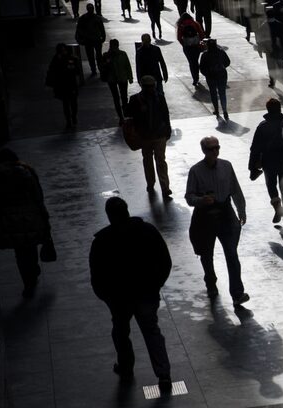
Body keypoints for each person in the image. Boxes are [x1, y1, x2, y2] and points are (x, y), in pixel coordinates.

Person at [89, 197, 173, 391]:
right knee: (152, 332)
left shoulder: (102, 241)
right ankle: (164, 374)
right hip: (146, 293)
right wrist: (155, 285)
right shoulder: (148, 231)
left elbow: (97, 276)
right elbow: (164, 261)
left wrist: (108, 298)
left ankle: (126, 367)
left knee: (120, 332)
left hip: (119, 299)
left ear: (109, 216)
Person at [185, 136, 250, 305]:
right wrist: (201, 200)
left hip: (225, 212)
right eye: (211, 149)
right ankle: (211, 281)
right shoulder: (196, 171)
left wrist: (241, 209)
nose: (215, 151)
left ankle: (237, 293)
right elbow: (189, 196)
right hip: (205, 216)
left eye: (217, 148)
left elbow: (235, 188)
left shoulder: (226, 166)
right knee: (207, 254)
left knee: (232, 254)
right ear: (204, 151)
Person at [0, 149, 51, 298]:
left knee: (20, 253)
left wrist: (0, 213)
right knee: (31, 246)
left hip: (11, 221)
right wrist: (42, 214)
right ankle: (34, 270)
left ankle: (27, 282)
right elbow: (38, 196)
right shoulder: (28, 172)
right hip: (30, 216)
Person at [248, 98, 283, 228]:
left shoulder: (262, 126)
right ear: (280, 109)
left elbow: (255, 148)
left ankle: (277, 208)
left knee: (271, 185)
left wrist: (252, 166)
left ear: (267, 110)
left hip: (269, 161)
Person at [124, 76, 172, 198]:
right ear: (143, 86)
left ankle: (164, 187)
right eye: (149, 86)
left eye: (152, 86)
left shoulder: (159, 97)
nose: (151, 89)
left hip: (155, 134)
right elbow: (128, 113)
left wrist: (167, 129)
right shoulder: (136, 99)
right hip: (146, 135)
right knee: (150, 160)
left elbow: (165, 114)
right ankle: (152, 183)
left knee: (157, 160)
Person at [45, 43, 82, 129]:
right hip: (63, 85)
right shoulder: (56, 59)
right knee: (66, 104)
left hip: (70, 84)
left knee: (73, 103)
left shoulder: (71, 58)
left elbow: (77, 71)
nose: (63, 52)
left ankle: (73, 116)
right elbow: (52, 71)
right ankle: (69, 120)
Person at [100, 39, 133, 126]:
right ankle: (121, 117)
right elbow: (102, 67)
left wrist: (130, 77)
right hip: (113, 79)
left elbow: (127, 65)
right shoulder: (106, 56)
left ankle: (124, 115)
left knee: (123, 97)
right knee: (117, 98)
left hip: (121, 78)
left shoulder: (122, 54)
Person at [199, 39, 231, 120]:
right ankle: (224, 111)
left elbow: (202, 68)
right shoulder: (221, 52)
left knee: (213, 94)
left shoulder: (205, 55)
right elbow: (228, 62)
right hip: (222, 75)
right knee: (222, 93)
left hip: (211, 77)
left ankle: (216, 110)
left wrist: (207, 73)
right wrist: (221, 67)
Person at [75, 3, 106, 77]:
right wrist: (103, 37)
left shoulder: (85, 18)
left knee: (95, 56)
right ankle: (95, 69)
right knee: (94, 56)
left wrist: (103, 37)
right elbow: (79, 29)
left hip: (92, 39)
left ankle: (96, 69)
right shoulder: (94, 18)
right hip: (91, 40)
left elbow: (102, 29)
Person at [177, 13, 205, 86]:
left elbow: (179, 37)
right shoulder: (195, 23)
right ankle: (197, 75)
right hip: (196, 45)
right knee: (195, 61)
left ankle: (195, 78)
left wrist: (184, 44)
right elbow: (201, 33)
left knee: (191, 62)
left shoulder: (181, 25)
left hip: (187, 47)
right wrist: (200, 41)